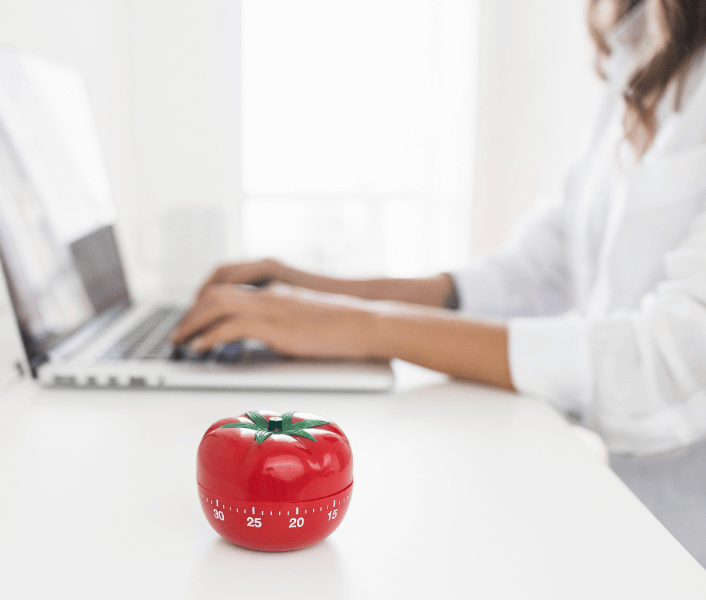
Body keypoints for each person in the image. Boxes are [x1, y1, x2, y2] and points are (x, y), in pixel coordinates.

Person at [171, 0, 706, 457]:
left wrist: (355, 326)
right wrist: (315, 293)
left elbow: (668, 364)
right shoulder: (647, 39)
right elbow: (545, 264)